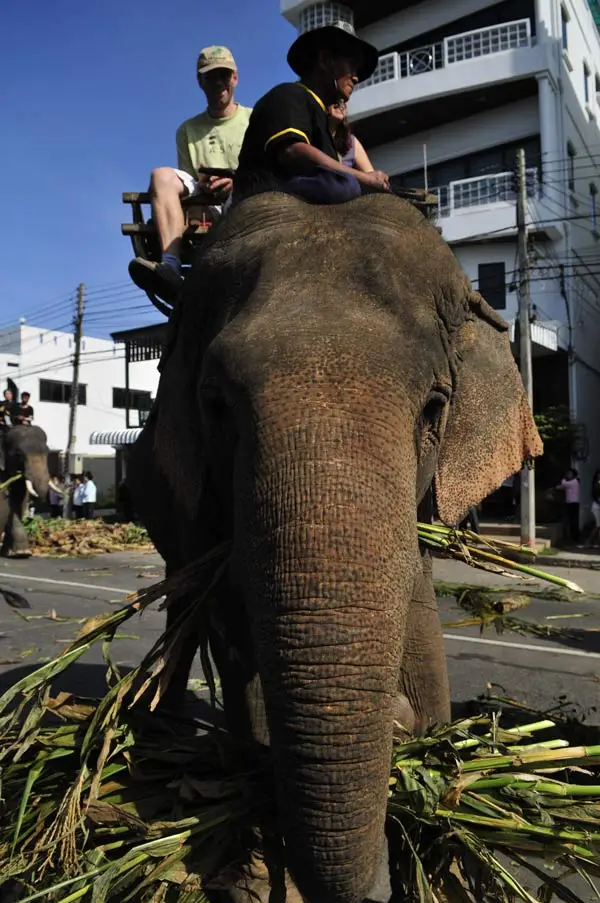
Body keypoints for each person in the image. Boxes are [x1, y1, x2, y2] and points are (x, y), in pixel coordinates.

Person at [129, 46, 252, 304]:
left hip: (243, 199)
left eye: (224, 75)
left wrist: (235, 182)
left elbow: (262, 171)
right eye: (211, 76)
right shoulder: (187, 130)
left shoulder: (253, 119)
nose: (219, 82)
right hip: (204, 203)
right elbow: (186, 180)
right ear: (200, 82)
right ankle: (170, 267)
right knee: (160, 175)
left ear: (235, 78)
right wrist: (203, 185)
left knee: (245, 194)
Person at [234, 8, 390, 206]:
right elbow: (293, 152)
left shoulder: (320, 114)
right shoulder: (288, 94)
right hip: (263, 197)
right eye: (351, 65)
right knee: (342, 185)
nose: (356, 76)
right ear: (325, 61)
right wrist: (363, 178)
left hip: (301, 200)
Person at [328, 99, 374, 172]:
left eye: (343, 102)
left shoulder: (350, 141)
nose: (341, 106)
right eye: (336, 100)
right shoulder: (312, 137)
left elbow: (371, 175)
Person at [556, 468, 580, 544]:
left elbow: (564, 484)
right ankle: (573, 537)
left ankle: (575, 537)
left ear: (573, 475)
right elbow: (561, 487)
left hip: (573, 503)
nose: (568, 475)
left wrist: (563, 478)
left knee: (574, 520)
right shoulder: (570, 483)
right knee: (571, 520)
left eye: (569, 474)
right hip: (570, 503)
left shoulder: (574, 482)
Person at [588, 469, 600, 548]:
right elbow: (595, 496)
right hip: (597, 506)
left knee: (598, 525)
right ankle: (589, 541)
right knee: (598, 525)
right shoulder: (596, 484)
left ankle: (591, 542)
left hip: (597, 506)